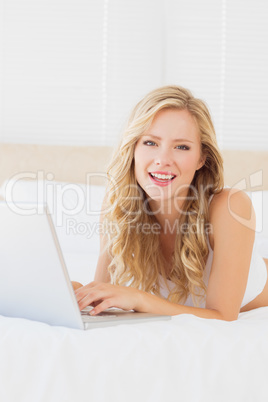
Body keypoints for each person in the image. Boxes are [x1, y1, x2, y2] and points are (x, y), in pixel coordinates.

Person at [73, 85, 268, 321]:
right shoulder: (117, 205)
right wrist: (75, 293)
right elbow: (102, 292)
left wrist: (139, 299)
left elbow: (223, 316)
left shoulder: (230, 206)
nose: (162, 160)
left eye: (181, 147)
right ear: (133, 148)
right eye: (150, 143)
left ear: (201, 158)